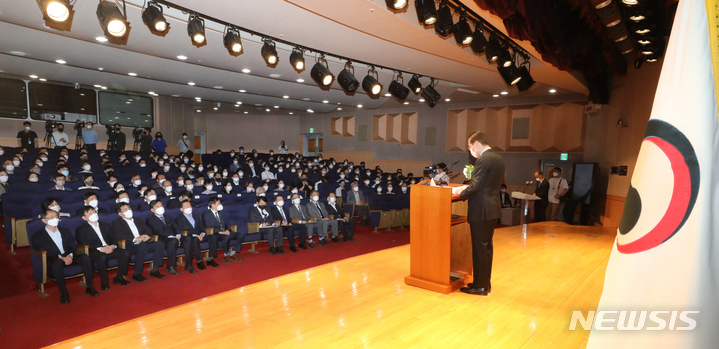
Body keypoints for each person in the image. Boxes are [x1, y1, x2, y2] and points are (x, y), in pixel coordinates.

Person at [459, 131, 505, 296]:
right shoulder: (498, 158)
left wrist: (461, 194)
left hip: (481, 209)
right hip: (492, 208)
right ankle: (485, 283)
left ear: (476, 144)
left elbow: (477, 185)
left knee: (479, 249)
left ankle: (479, 286)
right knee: (487, 248)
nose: (471, 151)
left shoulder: (483, 159)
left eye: (470, 147)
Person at [32, 209, 98, 303]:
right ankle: (64, 293)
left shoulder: (65, 231)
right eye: (51, 217)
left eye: (56, 217)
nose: (54, 219)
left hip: (68, 255)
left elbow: (72, 247)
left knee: (85, 257)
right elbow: (43, 252)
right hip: (54, 259)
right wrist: (61, 258)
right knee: (57, 263)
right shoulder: (38, 236)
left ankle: (90, 287)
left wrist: (70, 256)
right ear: (44, 220)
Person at [75, 207, 130, 290]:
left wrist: (112, 246)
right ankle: (104, 281)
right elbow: (83, 243)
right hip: (95, 251)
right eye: (90, 213)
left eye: (94, 212)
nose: (94, 214)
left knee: (125, 253)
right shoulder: (81, 229)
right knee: (102, 256)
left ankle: (119, 276)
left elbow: (114, 239)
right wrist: (100, 248)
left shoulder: (106, 225)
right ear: (84, 218)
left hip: (109, 248)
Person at [110, 203, 166, 282]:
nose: (129, 210)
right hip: (130, 245)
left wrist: (148, 235)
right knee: (142, 246)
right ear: (120, 214)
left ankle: (155, 270)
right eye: (125, 209)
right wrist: (135, 239)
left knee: (160, 244)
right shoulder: (116, 222)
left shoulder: (138, 219)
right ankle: (137, 273)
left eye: (129, 208)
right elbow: (119, 235)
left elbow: (147, 229)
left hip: (143, 242)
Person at [146, 200, 183, 275]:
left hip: (174, 238)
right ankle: (171, 266)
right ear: (152, 210)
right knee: (173, 241)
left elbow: (176, 228)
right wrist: (173, 237)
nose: (161, 207)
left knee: (189, 239)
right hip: (161, 239)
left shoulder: (169, 217)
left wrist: (178, 236)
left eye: (161, 205)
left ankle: (191, 263)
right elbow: (158, 231)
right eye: (157, 206)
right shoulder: (150, 220)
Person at [202, 197, 243, 263]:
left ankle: (232, 253)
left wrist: (228, 230)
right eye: (218, 203)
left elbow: (227, 223)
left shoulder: (221, 213)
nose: (220, 205)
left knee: (240, 234)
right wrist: (222, 232)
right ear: (213, 205)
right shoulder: (206, 214)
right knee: (226, 236)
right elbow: (208, 227)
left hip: (225, 232)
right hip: (216, 234)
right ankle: (226, 255)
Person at [174, 200, 210, 271]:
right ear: (181, 209)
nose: (189, 207)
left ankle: (210, 259)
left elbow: (202, 228)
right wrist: (196, 235)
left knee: (212, 236)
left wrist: (202, 234)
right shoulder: (178, 219)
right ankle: (198, 261)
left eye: (190, 206)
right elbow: (182, 231)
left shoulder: (196, 216)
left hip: (198, 236)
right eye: (186, 206)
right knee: (193, 239)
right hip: (186, 239)